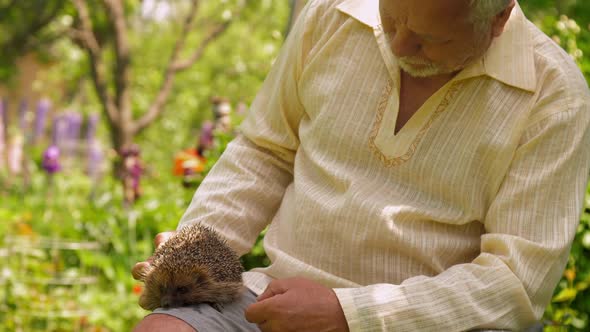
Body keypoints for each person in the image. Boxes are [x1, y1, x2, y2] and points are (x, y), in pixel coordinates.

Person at [133, 0, 590, 330]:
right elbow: (264, 151)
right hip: (272, 297)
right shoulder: (332, 14)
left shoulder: (552, 97)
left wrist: (349, 313)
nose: (400, 44)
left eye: (431, 39)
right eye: (392, 19)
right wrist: (188, 254)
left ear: (498, 19)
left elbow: (514, 285)